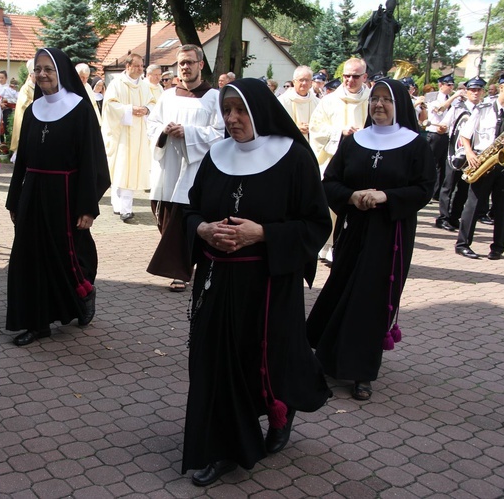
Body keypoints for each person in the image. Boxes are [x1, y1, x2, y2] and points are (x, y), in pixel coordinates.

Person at [182, 78, 332, 486]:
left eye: (241, 110)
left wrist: (262, 233)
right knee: (215, 361)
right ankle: (225, 447)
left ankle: (281, 409)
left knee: (265, 361)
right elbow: (191, 211)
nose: (232, 118)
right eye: (227, 110)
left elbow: (316, 223)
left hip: (267, 284)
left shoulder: (295, 160)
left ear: (260, 111)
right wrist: (203, 231)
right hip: (216, 280)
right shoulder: (215, 156)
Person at [306, 78, 435, 401]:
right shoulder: (355, 141)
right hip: (354, 229)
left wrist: (385, 197)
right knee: (341, 288)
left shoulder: (415, 144)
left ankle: (361, 371)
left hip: (391, 235)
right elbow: (330, 182)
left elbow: (424, 189)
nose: (378, 104)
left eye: (386, 100)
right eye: (374, 99)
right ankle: (325, 356)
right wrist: (352, 197)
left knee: (372, 298)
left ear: (399, 105)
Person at [5, 48, 110, 347]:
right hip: (33, 192)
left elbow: (92, 161)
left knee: (69, 257)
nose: (42, 75)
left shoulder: (79, 109)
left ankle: (84, 293)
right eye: (37, 69)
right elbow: (22, 160)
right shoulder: (33, 110)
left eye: (48, 69)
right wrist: (14, 199)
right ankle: (37, 323)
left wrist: (87, 206)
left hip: (66, 195)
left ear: (61, 71)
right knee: (28, 257)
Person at [146, 44, 224, 292]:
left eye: (190, 62)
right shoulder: (167, 96)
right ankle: (180, 265)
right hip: (167, 167)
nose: (185, 67)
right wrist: (163, 131)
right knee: (165, 218)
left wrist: (188, 133)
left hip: (194, 170)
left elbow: (220, 133)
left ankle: (180, 271)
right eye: (181, 63)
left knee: (182, 221)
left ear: (201, 65)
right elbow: (152, 124)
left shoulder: (214, 97)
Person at [309, 58, 370, 264]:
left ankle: (354, 244)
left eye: (355, 76)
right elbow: (316, 130)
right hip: (334, 161)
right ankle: (327, 246)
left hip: (364, 163)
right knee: (331, 204)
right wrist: (340, 132)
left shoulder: (372, 100)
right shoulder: (329, 101)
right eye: (346, 75)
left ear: (364, 77)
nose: (349, 80)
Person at [454, 70, 504, 260]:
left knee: (501, 207)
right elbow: (465, 134)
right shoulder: (483, 108)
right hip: (483, 160)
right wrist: (470, 153)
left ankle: (498, 247)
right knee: (474, 203)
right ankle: (463, 244)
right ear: (502, 87)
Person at [102, 53, 156, 221]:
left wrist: (147, 110)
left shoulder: (145, 86)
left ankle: (121, 206)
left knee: (129, 171)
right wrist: (129, 110)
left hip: (139, 136)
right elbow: (109, 105)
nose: (141, 69)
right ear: (128, 66)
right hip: (122, 136)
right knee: (123, 170)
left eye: (142, 66)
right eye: (138, 66)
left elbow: (153, 103)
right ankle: (122, 207)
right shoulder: (117, 84)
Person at [435, 76, 486, 232]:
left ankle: (454, 217)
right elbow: (446, 123)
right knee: (448, 185)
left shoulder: (486, 109)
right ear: (467, 91)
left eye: (478, 90)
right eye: (472, 90)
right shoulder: (458, 107)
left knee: (464, 186)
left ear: (483, 92)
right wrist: (442, 127)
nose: (475, 93)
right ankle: (443, 217)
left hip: (474, 154)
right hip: (455, 152)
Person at [425, 74, 465, 199]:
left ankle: (436, 193)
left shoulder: (453, 99)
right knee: (430, 164)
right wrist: (454, 96)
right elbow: (439, 110)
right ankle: (426, 189)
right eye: (449, 85)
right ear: (440, 85)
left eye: (453, 85)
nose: (451, 87)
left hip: (447, 135)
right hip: (434, 134)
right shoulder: (433, 97)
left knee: (442, 166)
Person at [278, 65, 319, 142]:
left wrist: (312, 128)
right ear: (294, 82)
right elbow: (276, 124)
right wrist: (294, 129)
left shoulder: (318, 102)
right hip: (289, 145)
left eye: (307, 80)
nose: (304, 83)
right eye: (301, 80)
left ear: (311, 82)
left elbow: (323, 125)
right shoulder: (282, 101)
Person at [10, 59, 35, 159]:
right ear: (31, 75)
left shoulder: (38, 87)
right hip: (26, 121)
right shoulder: (26, 88)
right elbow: (25, 104)